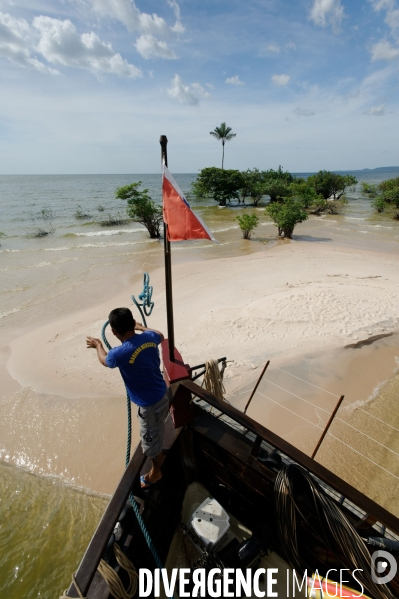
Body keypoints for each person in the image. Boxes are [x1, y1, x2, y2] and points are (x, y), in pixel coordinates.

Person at [86, 307, 169, 489]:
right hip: (163, 394)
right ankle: (159, 449)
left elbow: (104, 360)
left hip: (149, 407)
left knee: (150, 445)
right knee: (158, 427)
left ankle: (156, 473)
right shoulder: (149, 337)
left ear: (114, 332)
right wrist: (141, 327)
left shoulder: (118, 353)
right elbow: (160, 335)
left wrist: (98, 345)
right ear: (133, 323)